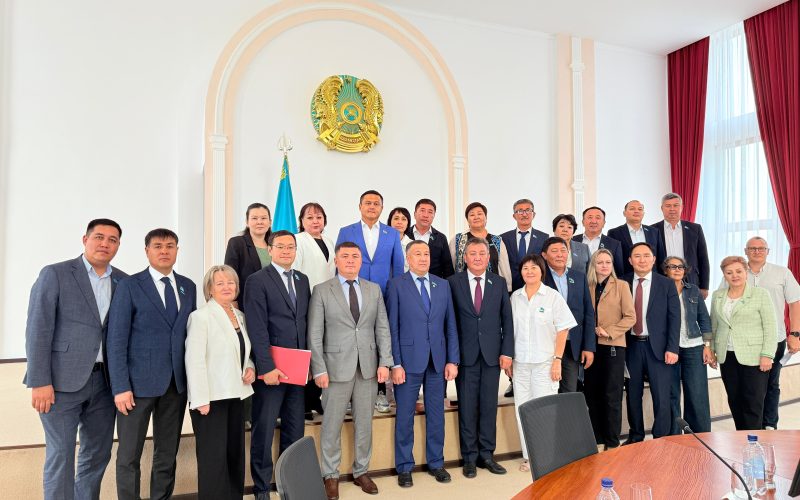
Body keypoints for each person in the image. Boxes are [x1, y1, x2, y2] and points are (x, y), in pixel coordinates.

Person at [24, 219, 128, 500]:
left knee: (97, 454)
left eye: (112, 240)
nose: (105, 244)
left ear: (118, 245)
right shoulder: (55, 274)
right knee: (61, 454)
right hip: (60, 383)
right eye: (99, 237)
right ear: (85, 239)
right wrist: (39, 381)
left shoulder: (124, 281)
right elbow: (37, 329)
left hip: (105, 384)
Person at [107, 228, 197, 500]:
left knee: (167, 454)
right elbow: (116, 339)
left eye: (170, 246)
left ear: (177, 250)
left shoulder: (188, 286)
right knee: (129, 455)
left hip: (175, 385)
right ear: (147, 251)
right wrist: (120, 387)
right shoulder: (130, 286)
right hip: (135, 387)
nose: (164, 251)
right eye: (157, 246)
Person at [308, 241, 394, 500]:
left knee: (365, 423)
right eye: (344, 256)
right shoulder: (322, 290)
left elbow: (382, 328)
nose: (350, 260)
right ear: (336, 261)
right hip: (334, 369)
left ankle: (361, 471)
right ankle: (330, 475)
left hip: (368, 367)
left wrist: (385, 362)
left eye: (355, 256)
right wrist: (319, 369)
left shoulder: (373, 289)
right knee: (332, 424)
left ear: (361, 261)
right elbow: (315, 333)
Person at [385, 240, 459, 487]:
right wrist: (395, 364)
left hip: (437, 360)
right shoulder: (396, 285)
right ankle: (404, 466)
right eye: (417, 254)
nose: (423, 258)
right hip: (407, 363)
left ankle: (436, 463)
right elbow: (392, 328)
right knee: (405, 415)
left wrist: (452, 360)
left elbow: (450, 325)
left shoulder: (442, 285)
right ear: (408, 259)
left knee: (437, 415)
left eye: (426, 253)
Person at [243, 230, 311, 500]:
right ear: (269, 250)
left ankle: (289, 485)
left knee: (295, 430)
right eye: (280, 246)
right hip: (271, 370)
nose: (286, 251)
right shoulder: (256, 280)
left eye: (290, 247)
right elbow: (257, 327)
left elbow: (303, 323)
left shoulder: (303, 280)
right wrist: (266, 367)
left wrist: (308, 364)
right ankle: (261, 488)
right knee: (264, 428)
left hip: (297, 368)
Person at [185, 265, 256, 500]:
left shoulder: (240, 316)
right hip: (210, 400)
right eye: (220, 283)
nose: (227, 287)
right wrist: (200, 400)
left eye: (231, 282)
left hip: (236, 394)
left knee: (234, 455)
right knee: (213, 460)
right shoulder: (200, 317)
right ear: (210, 289)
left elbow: (243, 352)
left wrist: (250, 368)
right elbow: (194, 360)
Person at [447, 238, 514, 478]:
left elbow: (507, 320)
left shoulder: (499, 282)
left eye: (481, 254)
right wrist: (452, 357)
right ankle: (469, 457)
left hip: (492, 355)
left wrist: (507, 352)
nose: (477, 257)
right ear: (465, 258)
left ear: (488, 258)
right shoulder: (452, 283)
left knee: (488, 406)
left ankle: (486, 454)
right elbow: (449, 322)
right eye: (472, 253)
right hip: (465, 356)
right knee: (467, 407)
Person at [336, 190, 404, 413]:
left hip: (383, 295)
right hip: (352, 293)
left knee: (380, 340)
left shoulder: (392, 233)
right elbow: (339, 264)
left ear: (382, 208)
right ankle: (349, 393)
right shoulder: (346, 231)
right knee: (352, 338)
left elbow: (397, 267)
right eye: (368, 203)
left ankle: (381, 392)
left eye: (376, 203)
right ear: (360, 206)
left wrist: (395, 296)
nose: (372, 206)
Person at [509, 254, 576, 472]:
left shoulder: (552, 297)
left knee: (545, 411)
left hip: (545, 363)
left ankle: (546, 458)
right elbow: (509, 331)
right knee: (523, 410)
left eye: (534, 268)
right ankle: (529, 457)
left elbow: (563, 330)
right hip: (520, 363)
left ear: (542, 271)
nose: (529, 271)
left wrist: (557, 360)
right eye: (525, 268)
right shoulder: (515, 297)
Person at [708, 256, 777, 430]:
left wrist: (767, 355)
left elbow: (770, 327)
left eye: (739, 271)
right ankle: (741, 438)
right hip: (727, 356)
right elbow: (714, 325)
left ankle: (753, 440)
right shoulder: (717, 296)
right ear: (724, 275)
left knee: (753, 402)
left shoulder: (760, 294)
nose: (735, 276)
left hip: (755, 357)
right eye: (729, 272)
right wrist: (712, 350)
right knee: (735, 400)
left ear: (746, 272)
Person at [740, 237, 800, 430]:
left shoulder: (782, 273)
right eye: (752, 248)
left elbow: (795, 303)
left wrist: (795, 334)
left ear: (768, 251)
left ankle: (769, 425)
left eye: (761, 248)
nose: (757, 251)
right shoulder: (737, 272)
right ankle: (751, 426)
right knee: (749, 385)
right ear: (745, 251)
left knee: (771, 384)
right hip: (744, 340)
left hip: (775, 338)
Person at [622, 242, 679, 443]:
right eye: (637, 256)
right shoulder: (621, 282)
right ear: (630, 260)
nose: (642, 260)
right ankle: (636, 436)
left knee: (662, 395)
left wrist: (672, 348)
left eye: (646, 256)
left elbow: (674, 318)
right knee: (632, 394)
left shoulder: (666, 284)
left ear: (654, 259)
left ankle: (661, 438)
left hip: (659, 348)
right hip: (630, 346)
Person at [583, 249, 635, 450]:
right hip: (591, 347)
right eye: (600, 262)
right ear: (593, 265)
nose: (604, 266)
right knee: (592, 394)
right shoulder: (587, 286)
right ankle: (597, 440)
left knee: (612, 395)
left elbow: (630, 317)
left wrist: (609, 331)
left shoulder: (621, 285)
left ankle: (612, 442)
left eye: (608, 262)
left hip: (613, 345)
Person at [292, 202, 335, 420]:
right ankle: (303, 403)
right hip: (306, 301)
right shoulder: (298, 241)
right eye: (309, 217)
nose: (315, 221)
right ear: (301, 221)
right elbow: (295, 274)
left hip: (328, 304)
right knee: (307, 350)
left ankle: (315, 397)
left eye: (319, 217)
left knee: (321, 350)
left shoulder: (329, 241)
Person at [663, 256, 712, 434]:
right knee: (671, 393)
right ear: (665, 270)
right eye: (672, 266)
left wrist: (707, 346)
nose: (677, 270)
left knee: (697, 393)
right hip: (669, 348)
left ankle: (700, 434)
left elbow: (704, 319)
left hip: (694, 346)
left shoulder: (693, 291)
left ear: (685, 270)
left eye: (680, 267)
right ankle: (674, 435)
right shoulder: (659, 290)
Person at [540, 237, 596, 392]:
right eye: (554, 251)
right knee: (547, 391)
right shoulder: (539, 277)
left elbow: (588, 313)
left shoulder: (578, 277)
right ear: (544, 255)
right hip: (547, 344)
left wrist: (588, 346)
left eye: (563, 250)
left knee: (569, 391)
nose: (560, 255)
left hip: (572, 344)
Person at [651, 193, 710, 297]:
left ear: (681, 207)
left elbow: (703, 258)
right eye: (668, 206)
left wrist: (704, 286)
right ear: (662, 208)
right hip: (663, 279)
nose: (672, 209)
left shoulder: (695, 229)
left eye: (676, 205)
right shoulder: (653, 230)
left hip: (690, 280)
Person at [450, 202, 513, 292]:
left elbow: (504, 268)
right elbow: (450, 265)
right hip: (462, 290)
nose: (476, 217)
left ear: (486, 218)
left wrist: (508, 289)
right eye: (472, 215)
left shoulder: (497, 241)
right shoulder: (458, 239)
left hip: (493, 290)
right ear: (467, 220)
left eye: (479, 214)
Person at [224, 202, 272, 307]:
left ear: (270, 222)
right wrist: (233, 300)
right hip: (247, 302)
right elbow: (230, 275)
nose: (259, 222)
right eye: (254, 218)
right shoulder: (237, 243)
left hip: (273, 302)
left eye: (264, 218)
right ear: (247, 222)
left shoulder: (276, 245)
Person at [500, 199, 550, 292]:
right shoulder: (504, 238)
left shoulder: (543, 237)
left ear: (534, 214)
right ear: (514, 216)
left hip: (535, 286)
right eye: (520, 211)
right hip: (510, 287)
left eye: (528, 210)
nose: (524, 214)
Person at [607, 200, 666, 276]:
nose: (636, 211)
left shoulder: (654, 232)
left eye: (640, 209)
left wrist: (662, 277)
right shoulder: (614, 233)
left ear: (643, 213)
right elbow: (611, 260)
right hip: (625, 278)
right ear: (624, 213)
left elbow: (661, 258)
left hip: (652, 277)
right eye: (632, 209)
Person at [407, 198, 454, 279]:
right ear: (414, 214)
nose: (426, 215)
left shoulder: (441, 238)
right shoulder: (405, 234)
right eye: (422, 211)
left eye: (430, 212)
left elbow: (448, 267)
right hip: (407, 282)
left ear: (434, 216)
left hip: (434, 283)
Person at [572, 206, 625, 277]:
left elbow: (619, 272)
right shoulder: (573, 240)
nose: (593, 221)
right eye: (590, 217)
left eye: (598, 218)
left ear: (604, 223)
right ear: (583, 222)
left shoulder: (614, 244)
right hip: (577, 282)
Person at [387, 206, 413, 271]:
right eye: (396, 218)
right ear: (390, 221)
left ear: (408, 223)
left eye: (403, 219)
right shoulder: (382, 242)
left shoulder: (413, 245)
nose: (399, 222)